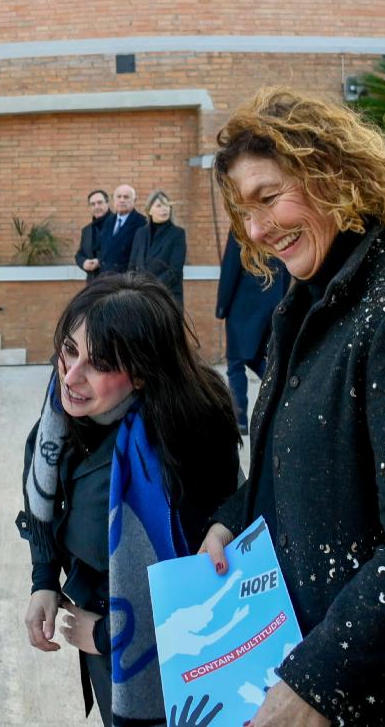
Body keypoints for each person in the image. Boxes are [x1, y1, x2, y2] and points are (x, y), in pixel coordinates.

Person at [197, 88, 385, 727]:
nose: (257, 230)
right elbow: (290, 458)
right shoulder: (299, 306)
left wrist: (316, 686)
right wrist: (232, 516)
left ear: (334, 175)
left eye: (269, 198)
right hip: (304, 652)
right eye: (244, 212)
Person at [18, 274, 241, 726]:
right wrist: (44, 577)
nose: (71, 376)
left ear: (140, 371)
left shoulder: (185, 440)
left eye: (98, 364)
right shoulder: (62, 416)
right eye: (69, 350)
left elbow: (202, 580)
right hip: (103, 640)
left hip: (159, 662)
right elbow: (42, 499)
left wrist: (106, 635)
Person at [213, 230, 286, 432]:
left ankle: (240, 419)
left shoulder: (241, 224)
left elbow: (230, 268)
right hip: (271, 302)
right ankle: (283, 396)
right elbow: (287, 267)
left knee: (236, 363)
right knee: (258, 359)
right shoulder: (276, 220)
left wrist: (222, 307)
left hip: (241, 306)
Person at [126, 191, 187, 307]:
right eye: (159, 205)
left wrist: (150, 288)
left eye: (167, 205)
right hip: (140, 298)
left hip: (166, 298)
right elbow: (132, 266)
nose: (164, 209)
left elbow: (174, 271)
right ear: (149, 210)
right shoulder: (140, 233)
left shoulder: (177, 234)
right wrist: (134, 288)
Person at [98, 184, 145, 276]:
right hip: (104, 278)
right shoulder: (108, 221)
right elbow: (102, 248)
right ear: (114, 200)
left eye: (126, 197)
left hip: (125, 279)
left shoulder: (141, 223)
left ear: (134, 200)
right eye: (118, 197)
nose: (122, 200)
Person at [74, 189, 110, 282]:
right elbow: (80, 254)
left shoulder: (120, 225)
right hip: (92, 284)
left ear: (107, 203)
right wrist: (84, 263)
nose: (96, 207)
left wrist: (99, 261)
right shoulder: (86, 230)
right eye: (93, 204)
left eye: (99, 203)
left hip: (115, 284)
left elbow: (124, 253)